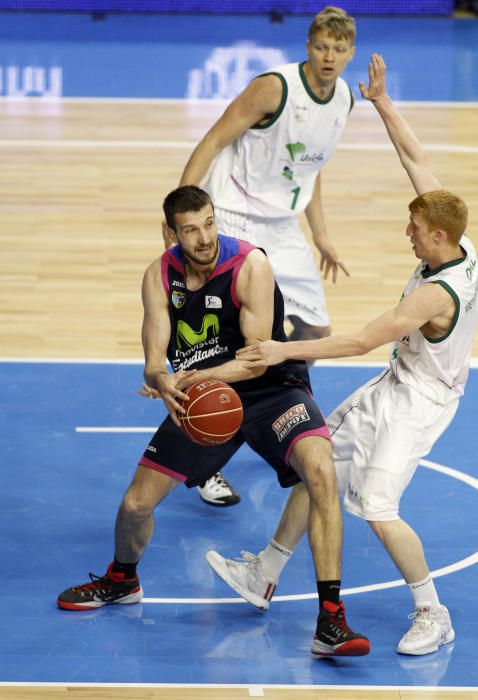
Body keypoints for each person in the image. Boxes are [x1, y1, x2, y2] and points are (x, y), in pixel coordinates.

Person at [206, 54, 478, 656]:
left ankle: (433, 612)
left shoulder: (437, 291)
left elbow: (357, 341)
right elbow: (416, 159)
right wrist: (383, 104)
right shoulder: (455, 233)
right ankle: (265, 573)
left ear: (436, 237)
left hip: (421, 402)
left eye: (413, 229)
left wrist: (282, 347)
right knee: (317, 465)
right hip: (398, 382)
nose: (406, 233)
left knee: (378, 509)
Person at [57, 185, 370, 658]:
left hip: (271, 389)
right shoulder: (158, 277)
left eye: (208, 223)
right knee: (135, 505)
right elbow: (153, 358)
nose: (203, 238)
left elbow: (255, 360)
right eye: (190, 230)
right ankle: (122, 578)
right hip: (203, 402)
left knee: (321, 472)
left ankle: (331, 620)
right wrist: (162, 379)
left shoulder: (250, 266)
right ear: (170, 233)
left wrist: (195, 375)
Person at [174, 5, 356, 507]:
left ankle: (279, 406)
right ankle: (208, 451)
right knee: (228, 346)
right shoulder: (273, 88)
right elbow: (213, 139)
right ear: (308, 46)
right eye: (322, 46)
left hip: (281, 224)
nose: (329, 56)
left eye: (339, 49)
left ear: (350, 54)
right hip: (231, 215)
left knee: (314, 333)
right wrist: (183, 210)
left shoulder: (343, 99)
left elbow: (309, 173)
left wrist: (320, 236)